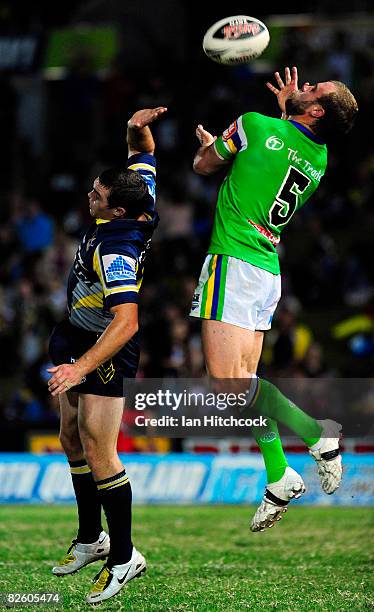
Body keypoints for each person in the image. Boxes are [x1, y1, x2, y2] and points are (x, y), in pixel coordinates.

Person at [190, 67, 358, 531]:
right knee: (244, 384)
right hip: (266, 269)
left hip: (234, 260)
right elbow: (280, 148)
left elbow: (204, 166)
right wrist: (287, 108)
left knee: (227, 386)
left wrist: (212, 147)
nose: (305, 86)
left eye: (313, 89)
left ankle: (315, 434)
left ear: (317, 109)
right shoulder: (319, 158)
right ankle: (279, 475)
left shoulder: (254, 124)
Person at [47, 106, 167, 604]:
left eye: (96, 194)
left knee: (100, 450)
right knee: (70, 437)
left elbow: (127, 322)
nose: (89, 195)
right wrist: (135, 127)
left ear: (117, 211)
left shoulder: (116, 249)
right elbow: (144, 152)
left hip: (104, 346)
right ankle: (90, 538)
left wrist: (81, 366)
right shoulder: (138, 191)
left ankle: (124, 558)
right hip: (76, 328)